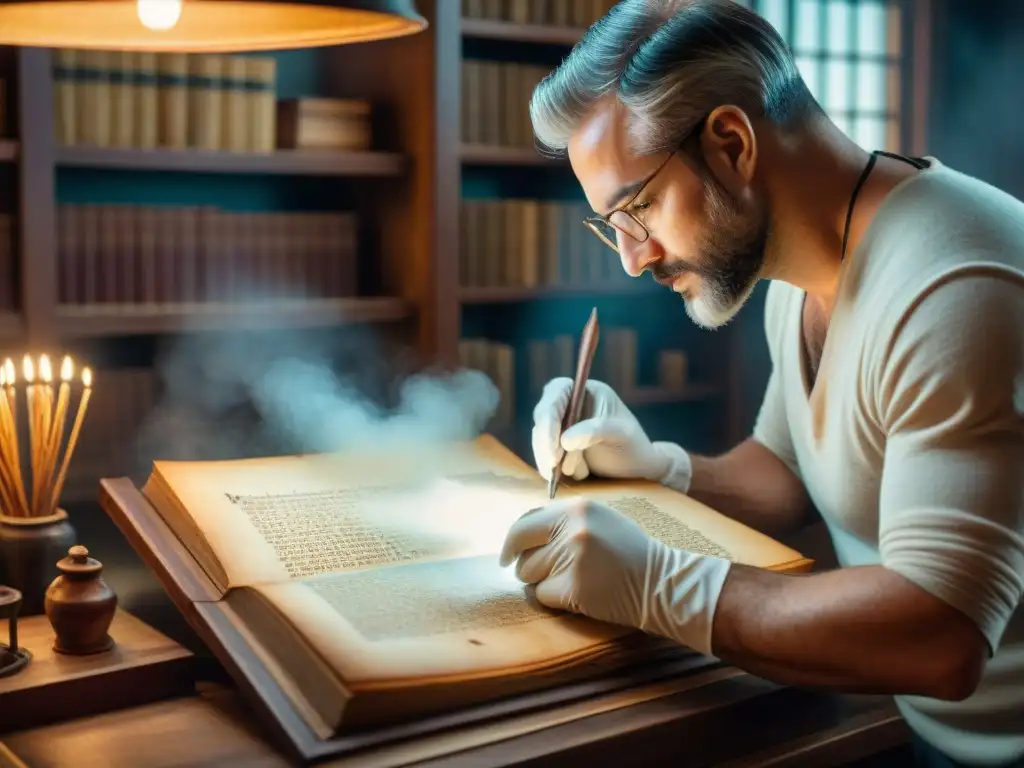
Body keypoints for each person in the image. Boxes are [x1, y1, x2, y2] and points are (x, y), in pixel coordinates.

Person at [496, 1, 1024, 766]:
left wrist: (661, 588)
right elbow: (784, 477)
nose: (631, 258)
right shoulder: (797, 276)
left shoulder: (954, 287)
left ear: (732, 143)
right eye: (609, 225)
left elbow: (941, 635)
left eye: (636, 208)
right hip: (929, 734)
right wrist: (658, 470)